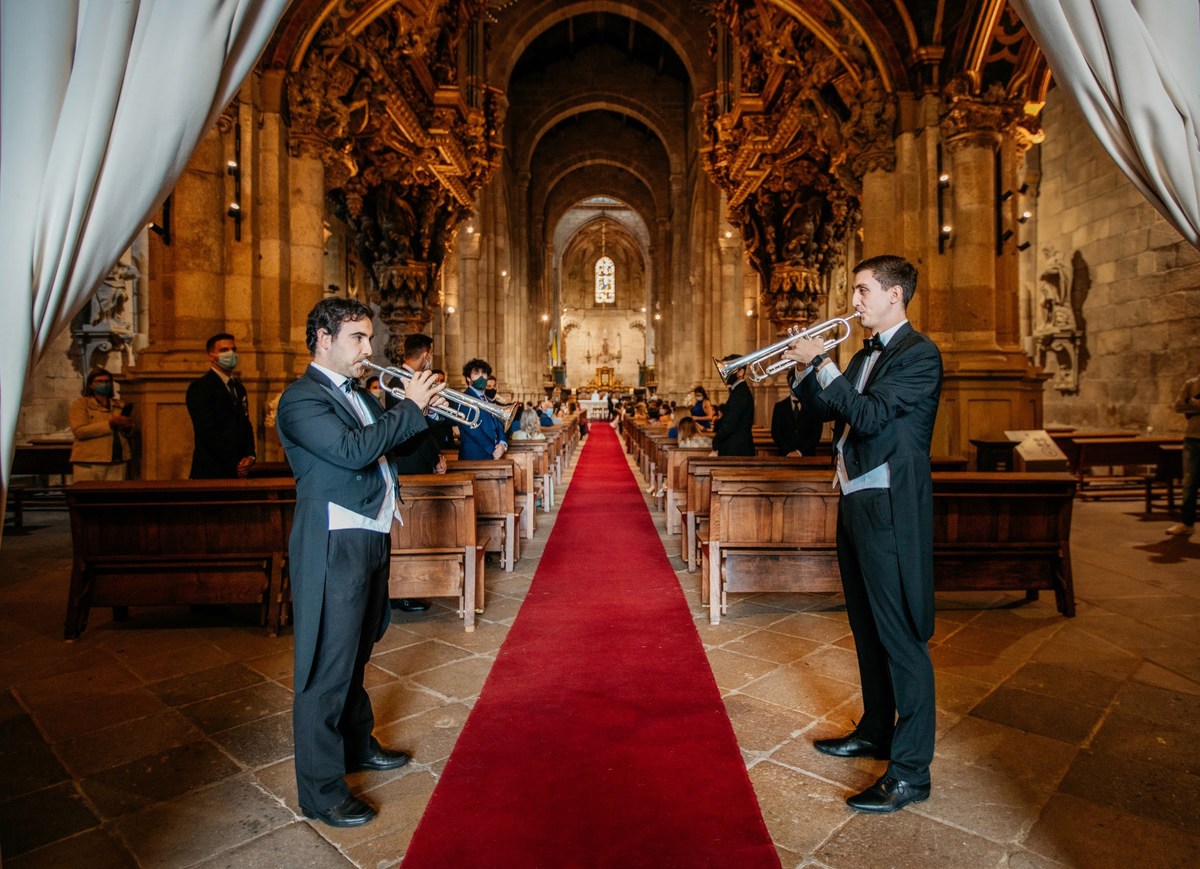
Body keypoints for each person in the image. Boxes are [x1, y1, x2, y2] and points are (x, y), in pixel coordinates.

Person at [275, 297, 445, 829]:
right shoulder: (301, 400)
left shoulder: (362, 396)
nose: (368, 350)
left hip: (370, 536)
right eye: (357, 338)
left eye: (368, 339)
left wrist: (426, 412)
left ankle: (356, 745)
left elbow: (397, 445)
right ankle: (322, 791)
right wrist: (406, 409)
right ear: (323, 340)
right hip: (333, 542)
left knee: (355, 654)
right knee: (326, 667)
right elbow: (352, 452)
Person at [782, 254, 943, 814]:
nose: (854, 301)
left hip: (892, 508)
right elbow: (830, 408)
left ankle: (911, 772)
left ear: (895, 295)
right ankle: (876, 729)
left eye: (862, 290)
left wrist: (822, 362)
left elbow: (871, 417)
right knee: (867, 628)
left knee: (901, 637)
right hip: (855, 503)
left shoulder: (919, 355)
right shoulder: (863, 354)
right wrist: (803, 369)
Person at [385, 333, 453, 613]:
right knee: (408, 529)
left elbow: (423, 425)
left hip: (421, 458)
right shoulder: (395, 382)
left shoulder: (414, 382)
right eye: (431, 355)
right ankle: (401, 590)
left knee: (417, 526)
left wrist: (436, 450)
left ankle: (413, 585)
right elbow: (405, 429)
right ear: (426, 354)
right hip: (408, 462)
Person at [186, 332, 256, 478]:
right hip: (212, 469)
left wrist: (250, 456)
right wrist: (234, 461)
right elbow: (207, 431)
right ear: (212, 356)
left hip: (240, 470)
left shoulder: (238, 387)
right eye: (224, 350)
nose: (231, 354)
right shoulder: (200, 387)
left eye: (233, 349)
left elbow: (245, 424)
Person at [69, 368, 135, 480]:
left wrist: (127, 427)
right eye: (99, 381)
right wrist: (110, 424)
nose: (104, 384)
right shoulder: (81, 404)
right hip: (90, 461)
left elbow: (128, 433)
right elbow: (79, 431)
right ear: (90, 385)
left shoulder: (119, 404)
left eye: (107, 381)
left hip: (117, 461)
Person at [1166, 366, 1200, 536]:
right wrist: (1191, 405)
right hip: (1193, 438)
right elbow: (1179, 406)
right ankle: (1187, 522)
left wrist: (1195, 404)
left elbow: (1188, 405)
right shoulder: (1191, 384)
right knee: (1189, 483)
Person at [458, 359, 507, 460]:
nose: (481, 377)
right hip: (474, 456)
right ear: (468, 378)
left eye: (484, 373)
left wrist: (502, 444)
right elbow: (472, 429)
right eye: (476, 373)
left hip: (493, 454)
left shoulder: (488, 400)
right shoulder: (463, 398)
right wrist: (493, 450)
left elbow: (499, 423)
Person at [711, 356, 755, 456]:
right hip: (735, 448)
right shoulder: (738, 391)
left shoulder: (740, 393)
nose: (725, 373)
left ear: (741, 372)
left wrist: (715, 444)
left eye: (728, 369)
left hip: (737, 450)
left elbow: (729, 425)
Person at [771, 391, 825, 456]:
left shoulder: (813, 406)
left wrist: (800, 452)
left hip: (807, 457)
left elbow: (816, 433)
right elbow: (776, 433)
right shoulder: (779, 407)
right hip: (785, 456)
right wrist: (788, 452)